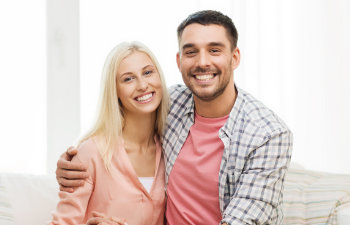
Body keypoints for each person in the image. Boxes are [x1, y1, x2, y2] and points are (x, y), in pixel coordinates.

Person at [56, 10, 293, 225]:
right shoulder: (172, 104)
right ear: (179, 61)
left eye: (214, 50)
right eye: (191, 52)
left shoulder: (268, 135)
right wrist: (74, 163)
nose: (202, 62)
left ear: (235, 57)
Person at [49, 41, 169, 225]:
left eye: (147, 72)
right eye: (128, 79)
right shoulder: (92, 153)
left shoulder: (171, 149)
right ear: (115, 91)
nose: (143, 85)